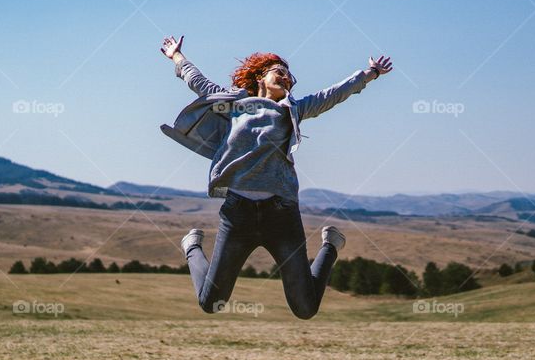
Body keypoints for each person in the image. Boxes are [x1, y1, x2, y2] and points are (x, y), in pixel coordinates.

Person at [159, 35, 392, 319]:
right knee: (211, 302)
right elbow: (198, 81)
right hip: (237, 215)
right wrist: (176, 57)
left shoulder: (293, 110)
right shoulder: (234, 104)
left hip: (281, 215)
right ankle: (192, 247)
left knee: (305, 308)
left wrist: (369, 74)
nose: (287, 79)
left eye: (290, 77)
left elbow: (332, 95)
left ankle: (330, 245)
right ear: (260, 76)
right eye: (279, 72)